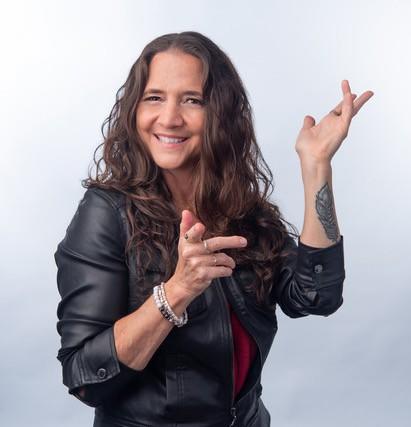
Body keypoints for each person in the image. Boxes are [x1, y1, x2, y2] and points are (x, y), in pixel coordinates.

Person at [54, 31, 373, 427]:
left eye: (192, 100)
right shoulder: (107, 212)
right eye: (154, 97)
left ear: (220, 113)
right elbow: (85, 377)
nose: (170, 118)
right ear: (134, 109)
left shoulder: (240, 208)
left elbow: (314, 296)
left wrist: (316, 166)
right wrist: (177, 290)